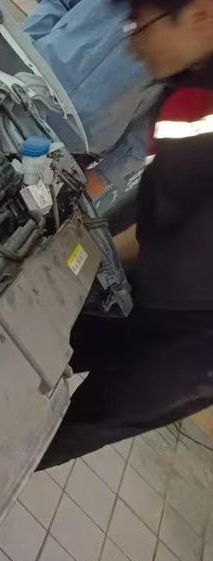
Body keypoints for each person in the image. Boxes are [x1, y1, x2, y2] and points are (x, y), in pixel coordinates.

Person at [38, 0, 213, 468]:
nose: (132, 43)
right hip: (156, 275)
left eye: (142, 25)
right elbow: (167, 210)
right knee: (41, 333)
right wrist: (78, 262)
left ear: (202, 15)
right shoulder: (186, 80)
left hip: (198, 341)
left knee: (83, 423)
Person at [23, 0, 164, 202]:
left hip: (70, 150)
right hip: (19, 86)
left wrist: (104, 175)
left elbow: (163, 117)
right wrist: (23, 44)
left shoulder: (196, 34)